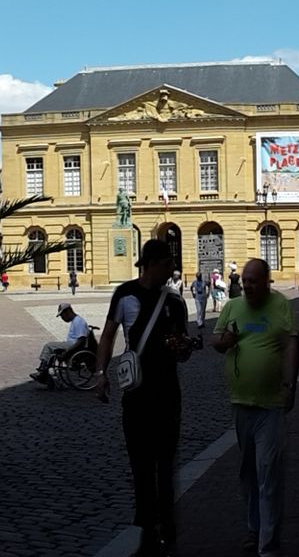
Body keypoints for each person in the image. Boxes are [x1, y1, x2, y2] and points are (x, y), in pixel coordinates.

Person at [96, 238, 194, 557]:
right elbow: (109, 334)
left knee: (164, 466)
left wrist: (183, 349)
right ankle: (147, 529)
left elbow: (182, 351)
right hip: (136, 395)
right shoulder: (124, 295)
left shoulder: (175, 301)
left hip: (167, 394)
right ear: (151, 263)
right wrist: (101, 375)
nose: (172, 269)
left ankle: (167, 525)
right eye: (168, 263)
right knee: (140, 466)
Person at [212, 258, 298, 557]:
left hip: (271, 404)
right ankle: (253, 528)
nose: (247, 285)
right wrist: (226, 339)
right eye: (245, 280)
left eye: (253, 280)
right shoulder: (232, 306)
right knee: (248, 472)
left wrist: (290, 386)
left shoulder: (281, 306)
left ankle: (268, 543)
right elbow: (216, 342)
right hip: (240, 403)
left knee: (269, 472)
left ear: (267, 281)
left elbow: (290, 347)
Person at [30, 301, 91, 386]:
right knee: (53, 349)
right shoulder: (76, 321)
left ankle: (42, 372)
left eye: (62, 315)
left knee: (49, 346)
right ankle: (44, 371)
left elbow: (81, 340)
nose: (62, 318)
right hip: (71, 344)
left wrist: (67, 352)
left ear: (68, 312)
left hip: (74, 346)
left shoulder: (79, 322)